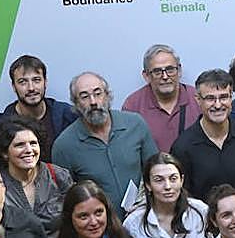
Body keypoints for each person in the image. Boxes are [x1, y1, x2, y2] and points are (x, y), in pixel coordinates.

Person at [51, 72, 158, 211]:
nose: (93, 102)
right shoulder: (64, 146)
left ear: (107, 96)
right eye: (84, 97)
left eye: (98, 93)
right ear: (76, 104)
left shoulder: (135, 124)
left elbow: (156, 170)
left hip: (143, 216)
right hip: (98, 222)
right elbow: (65, 199)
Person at [169, 68, 235, 207]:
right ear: (198, 100)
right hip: (203, 221)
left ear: (231, 98)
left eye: (223, 97)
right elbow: (182, 198)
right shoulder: (183, 147)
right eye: (210, 98)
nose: (217, 105)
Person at [0, 54, 77, 165]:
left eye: (36, 80)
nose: (31, 88)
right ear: (14, 86)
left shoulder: (69, 116)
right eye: (23, 82)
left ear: (45, 82)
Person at [0, 116, 73, 235]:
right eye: (20, 145)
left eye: (33, 143)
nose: (29, 150)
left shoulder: (58, 176)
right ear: (4, 153)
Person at [122, 44, 200, 153]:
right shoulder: (133, 106)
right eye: (157, 72)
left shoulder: (198, 98)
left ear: (179, 71)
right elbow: (129, 150)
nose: (165, 77)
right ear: (146, 76)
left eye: (170, 69)